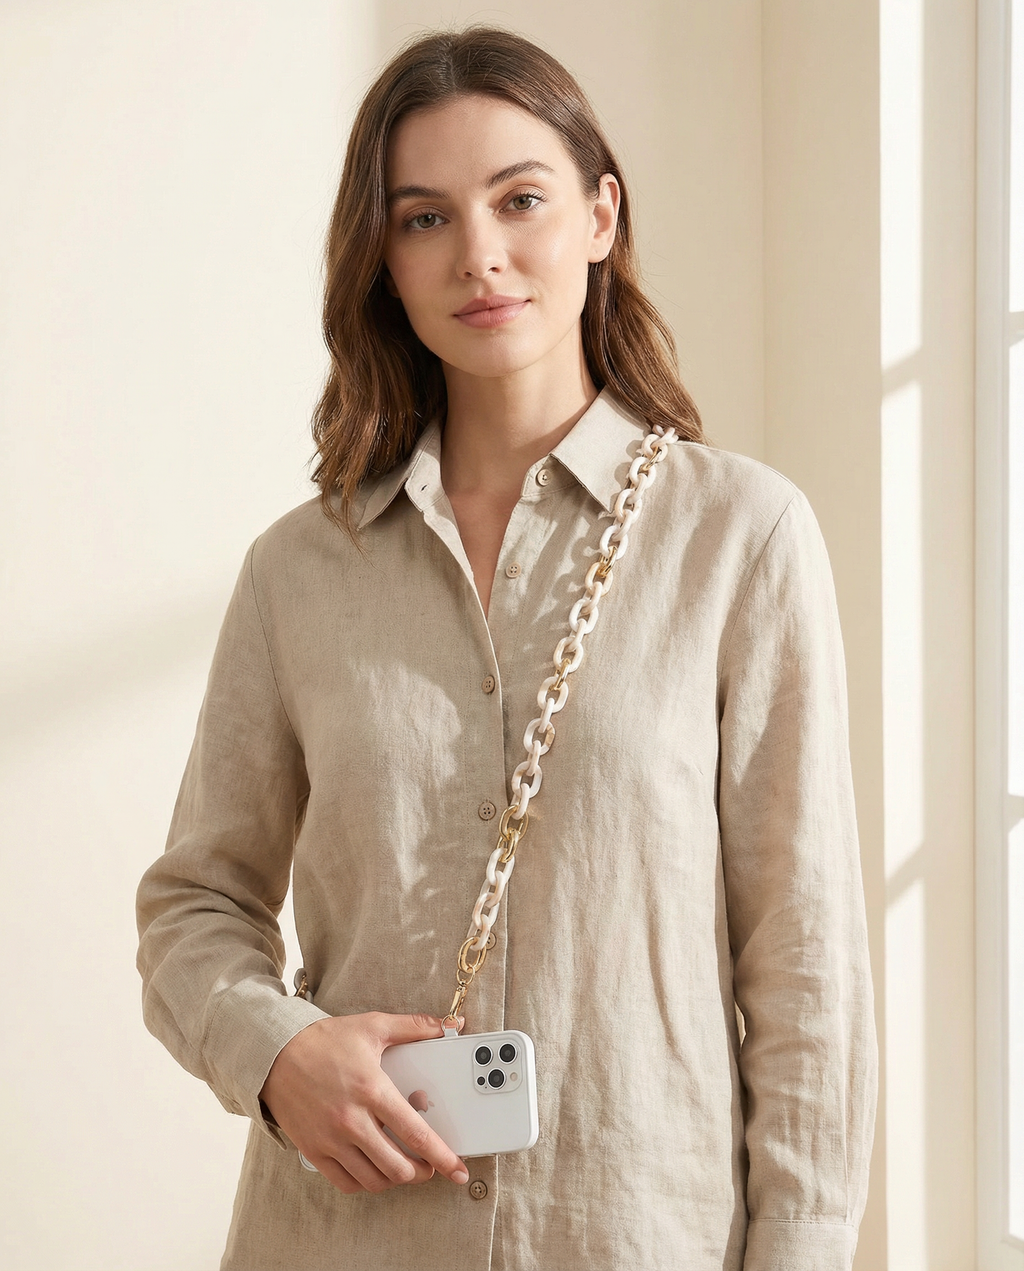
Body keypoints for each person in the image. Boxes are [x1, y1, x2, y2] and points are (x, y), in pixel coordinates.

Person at [136, 24, 878, 1271]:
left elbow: (803, 958)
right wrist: (274, 1051)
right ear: (384, 257)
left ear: (599, 215)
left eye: (518, 199)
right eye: (423, 218)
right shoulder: (299, 572)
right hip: (337, 1237)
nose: (478, 254)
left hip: (637, 1232)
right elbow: (194, 903)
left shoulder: (740, 538)